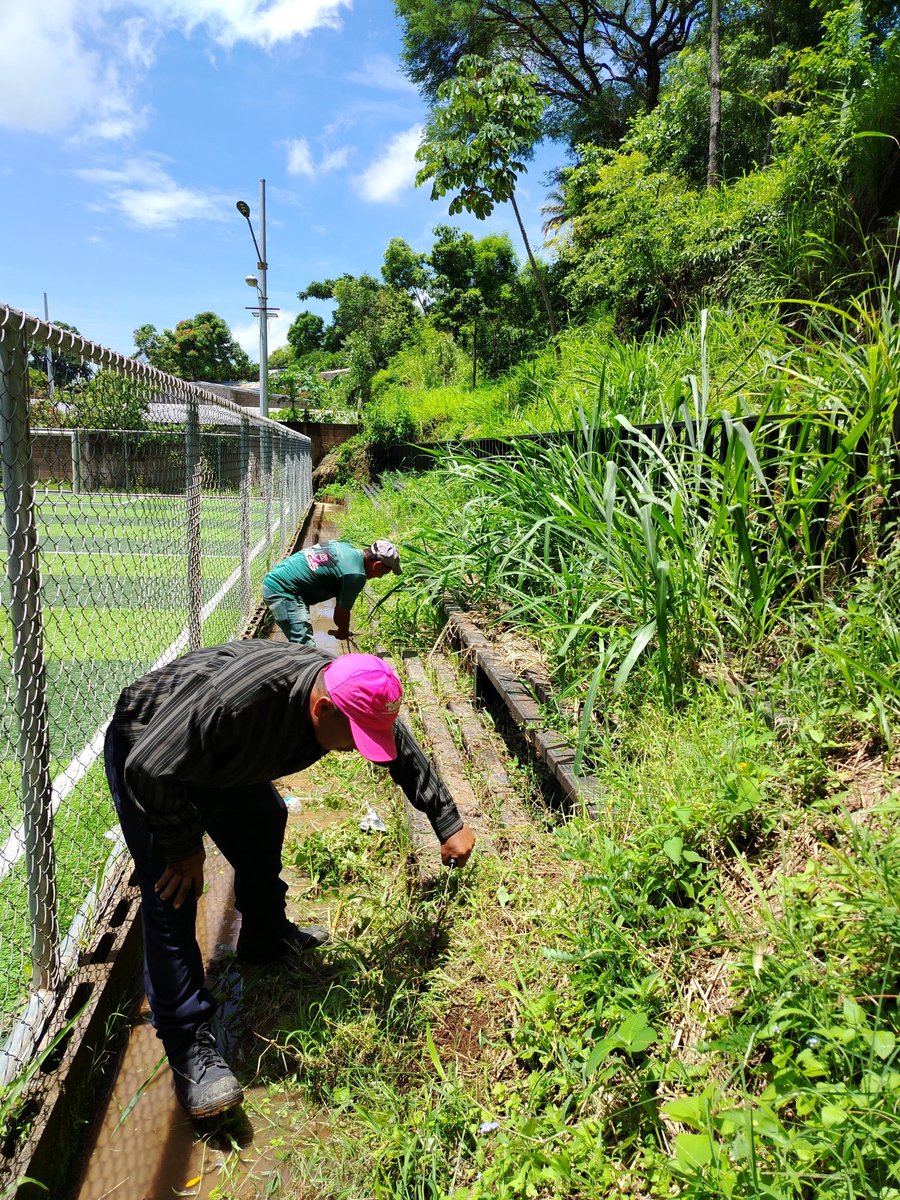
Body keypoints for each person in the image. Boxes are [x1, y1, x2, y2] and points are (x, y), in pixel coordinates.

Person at [104, 640, 475, 1119]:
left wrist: (446, 819)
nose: (360, 752)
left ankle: (265, 937)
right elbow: (149, 766)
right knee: (172, 890)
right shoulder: (235, 702)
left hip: (215, 754)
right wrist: (183, 845)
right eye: (355, 738)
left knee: (264, 817)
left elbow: (395, 743)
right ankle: (188, 1047)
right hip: (154, 757)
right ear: (321, 710)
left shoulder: (345, 687)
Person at [262, 539, 402, 647]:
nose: (380, 577)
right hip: (283, 590)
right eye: (384, 572)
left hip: (280, 576)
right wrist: (343, 630)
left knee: (301, 643)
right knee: (304, 646)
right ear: (377, 565)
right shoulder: (355, 575)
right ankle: (298, 682)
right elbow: (341, 613)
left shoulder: (345, 546)